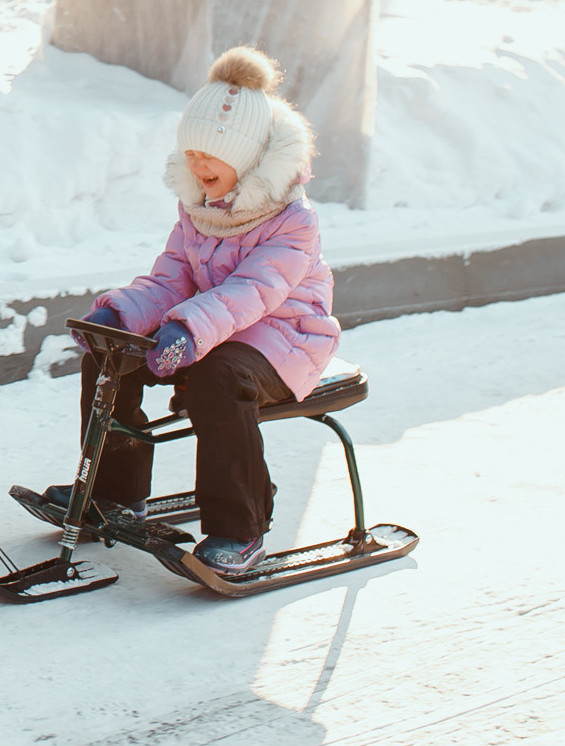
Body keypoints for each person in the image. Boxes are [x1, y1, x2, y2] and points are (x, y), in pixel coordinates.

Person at [36, 46, 340, 576]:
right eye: (191, 152)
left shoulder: (293, 221)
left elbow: (253, 293)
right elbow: (172, 275)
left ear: (247, 155)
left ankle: (239, 529)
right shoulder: (200, 209)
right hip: (210, 329)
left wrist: (188, 328)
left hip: (286, 339)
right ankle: (114, 491)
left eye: (211, 153)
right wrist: (124, 317)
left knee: (217, 379)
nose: (198, 165)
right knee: (112, 358)